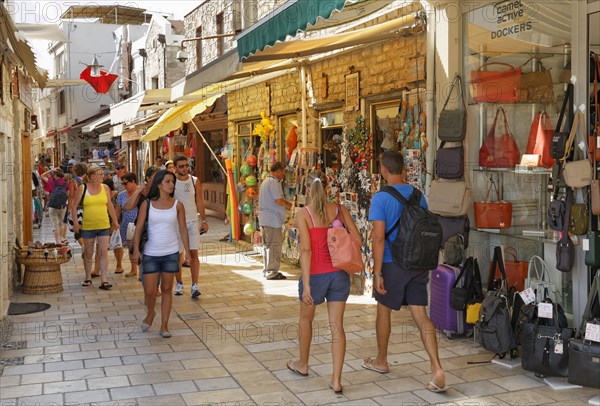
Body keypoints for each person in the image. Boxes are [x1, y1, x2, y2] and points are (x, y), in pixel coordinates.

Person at [362, 151, 447, 393]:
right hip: (419, 263)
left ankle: (381, 360)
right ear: (404, 170)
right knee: (421, 316)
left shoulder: (380, 199)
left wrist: (377, 273)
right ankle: (437, 369)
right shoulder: (419, 196)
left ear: (383, 170)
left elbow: (378, 239)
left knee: (383, 310)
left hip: (393, 263)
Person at [286, 170, 361, 395]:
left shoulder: (303, 214)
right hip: (339, 274)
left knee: (305, 320)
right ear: (328, 187)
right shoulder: (340, 209)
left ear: (307, 189)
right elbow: (357, 238)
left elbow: (306, 250)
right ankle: (336, 380)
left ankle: (302, 363)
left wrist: (307, 285)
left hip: (316, 275)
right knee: (337, 326)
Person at [131, 170, 191, 338]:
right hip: (150, 253)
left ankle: (164, 325)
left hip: (171, 252)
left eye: (172, 182)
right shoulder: (147, 204)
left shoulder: (178, 205)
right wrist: (136, 250)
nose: (171, 184)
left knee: (166, 288)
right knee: (150, 291)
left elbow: (183, 229)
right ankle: (151, 314)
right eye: (168, 181)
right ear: (159, 184)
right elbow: (139, 228)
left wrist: (187, 253)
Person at [71, 165, 120, 289]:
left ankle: (104, 280)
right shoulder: (83, 188)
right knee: (88, 252)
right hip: (88, 226)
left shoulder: (105, 188)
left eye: (102, 174)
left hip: (103, 224)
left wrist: (115, 221)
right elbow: (74, 206)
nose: (103, 176)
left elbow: (109, 205)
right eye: (100, 174)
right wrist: (76, 223)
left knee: (103, 251)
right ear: (92, 176)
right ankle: (88, 277)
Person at [172, 155, 208, 298]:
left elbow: (199, 201)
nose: (185, 168)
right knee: (177, 255)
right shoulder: (171, 181)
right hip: (176, 223)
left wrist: (204, 220)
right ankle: (179, 283)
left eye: (186, 165)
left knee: (194, 254)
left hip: (193, 221)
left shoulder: (194, 181)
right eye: (181, 166)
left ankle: (195, 285)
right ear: (175, 167)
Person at [258, 162, 292, 280]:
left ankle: (268, 270)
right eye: (283, 172)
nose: (283, 175)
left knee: (268, 245)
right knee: (274, 246)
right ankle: (271, 271)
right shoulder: (273, 182)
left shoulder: (266, 182)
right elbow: (278, 200)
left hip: (267, 220)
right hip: (271, 221)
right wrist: (288, 205)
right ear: (277, 172)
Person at [115, 172, 139, 278]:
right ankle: (134, 269)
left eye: (126, 183)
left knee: (141, 247)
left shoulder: (141, 192)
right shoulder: (121, 195)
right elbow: (117, 210)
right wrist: (115, 223)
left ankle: (142, 269)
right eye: (123, 184)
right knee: (131, 247)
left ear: (133, 181)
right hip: (127, 224)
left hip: (139, 223)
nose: (124, 186)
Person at [42, 168, 68, 243]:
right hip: (63, 206)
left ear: (55, 175)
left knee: (55, 225)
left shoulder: (52, 182)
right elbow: (69, 194)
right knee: (61, 223)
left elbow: (42, 175)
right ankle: (62, 238)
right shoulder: (65, 184)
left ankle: (58, 242)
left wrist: (51, 170)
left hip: (53, 206)